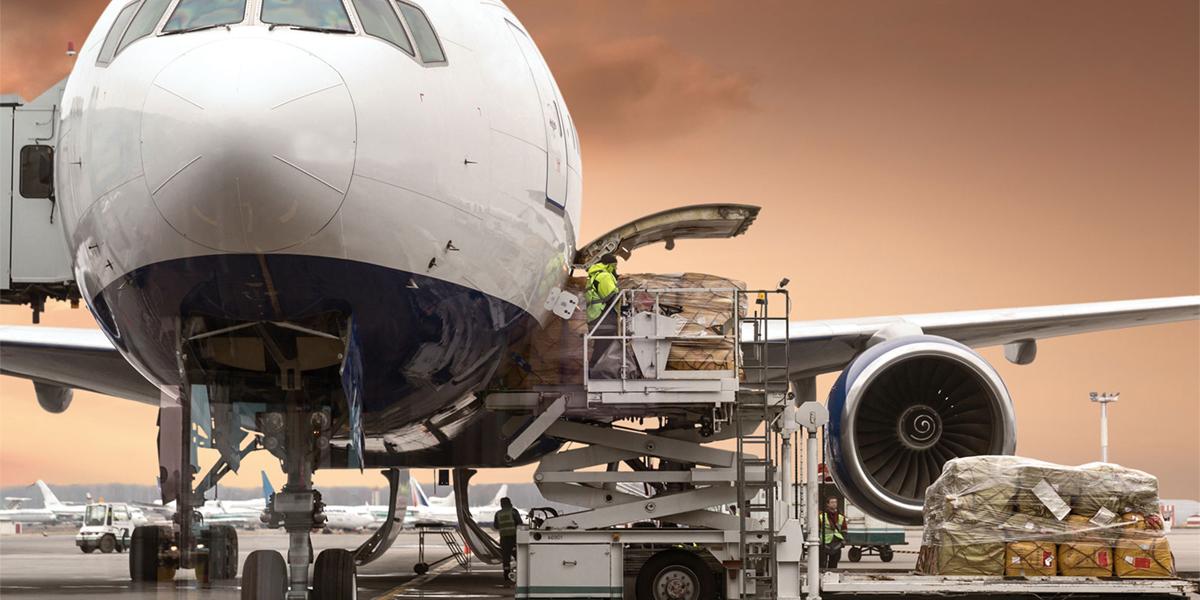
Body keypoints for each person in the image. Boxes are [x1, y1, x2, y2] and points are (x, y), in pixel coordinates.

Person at [585, 254, 620, 372]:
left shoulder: (595, 275)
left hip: (596, 318)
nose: (616, 269)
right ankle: (594, 371)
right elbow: (612, 297)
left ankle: (594, 370)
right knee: (604, 346)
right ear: (610, 265)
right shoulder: (604, 276)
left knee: (601, 346)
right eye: (615, 266)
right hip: (603, 318)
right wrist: (625, 305)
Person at [493, 497, 523, 581]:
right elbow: (519, 523)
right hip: (514, 537)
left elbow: (495, 526)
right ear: (510, 503)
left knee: (506, 557)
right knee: (519, 555)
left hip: (504, 538)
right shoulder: (513, 511)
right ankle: (521, 572)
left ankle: (506, 574)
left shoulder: (498, 513)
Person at [819, 496, 848, 569]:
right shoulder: (821, 516)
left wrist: (842, 541)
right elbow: (817, 530)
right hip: (824, 543)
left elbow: (844, 530)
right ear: (827, 504)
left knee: (834, 565)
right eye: (832, 502)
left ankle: (831, 579)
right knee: (822, 565)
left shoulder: (841, 516)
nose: (834, 504)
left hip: (836, 543)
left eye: (835, 502)